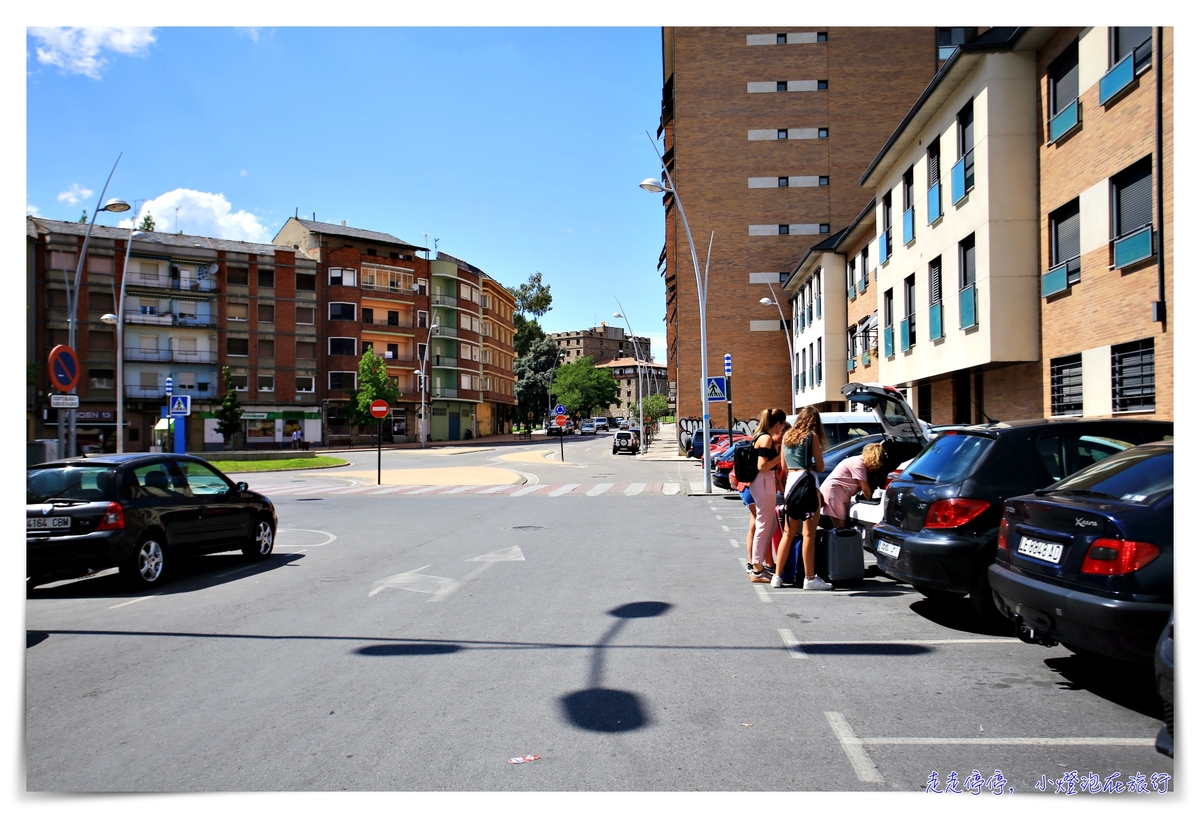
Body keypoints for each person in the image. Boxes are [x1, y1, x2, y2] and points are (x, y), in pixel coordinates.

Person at [776, 407, 830, 590]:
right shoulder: (812, 436)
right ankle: (810, 578)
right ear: (815, 421)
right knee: (808, 534)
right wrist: (810, 465)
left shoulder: (786, 436)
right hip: (808, 485)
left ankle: (777, 576)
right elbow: (821, 467)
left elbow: (783, 466)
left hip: (791, 484)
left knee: (787, 533)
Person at [748, 408, 787, 583]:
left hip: (764, 481)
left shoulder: (762, 436)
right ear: (777, 423)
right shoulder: (766, 438)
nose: (783, 429)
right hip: (763, 481)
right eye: (783, 425)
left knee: (769, 525)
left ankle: (759, 565)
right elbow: (762, 465)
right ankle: (757, 568)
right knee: (764, 525)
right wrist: (781, 456)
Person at [821, 442, 886, 528]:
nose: (876, 467)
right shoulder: (858, 464)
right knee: (839, 523)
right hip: (833, 491)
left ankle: (838, 540)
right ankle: (839, 541)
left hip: (839, 492)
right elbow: (864, 488)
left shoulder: (858, 462)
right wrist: (871, 503)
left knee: (840, 522)